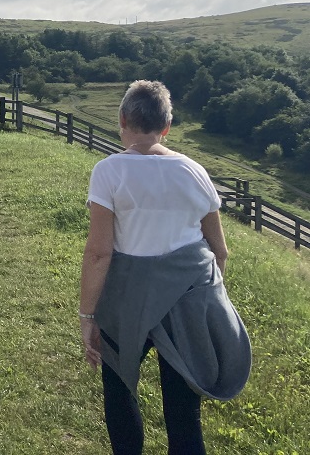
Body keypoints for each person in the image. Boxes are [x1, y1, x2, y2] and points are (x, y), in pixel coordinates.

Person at [79, 80, 250, 455]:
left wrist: (87, 315)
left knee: (121, 392)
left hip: (127, 302)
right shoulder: (195, 171)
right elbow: (219, 250)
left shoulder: (109, 171)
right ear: (166, 126)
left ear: (122, 119)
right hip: (187, 303)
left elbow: (98, 253)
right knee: (184, 412)